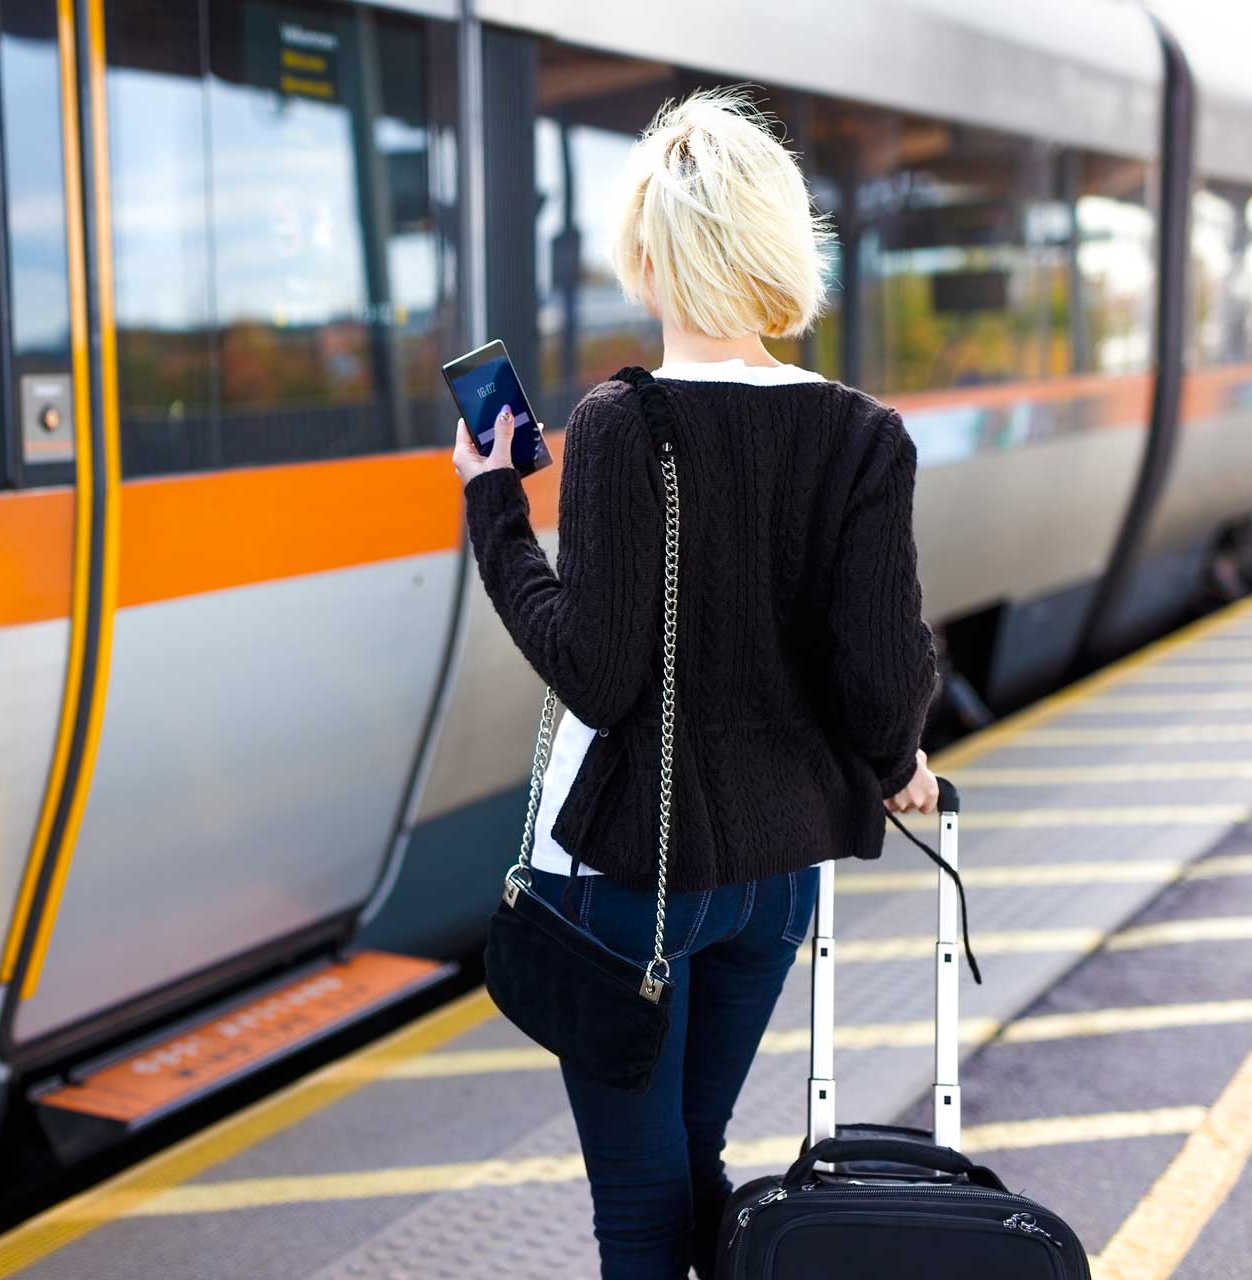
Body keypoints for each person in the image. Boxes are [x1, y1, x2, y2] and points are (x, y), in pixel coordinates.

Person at [453, 88, 939, 1280]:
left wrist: (493, 506)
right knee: (697, 1158)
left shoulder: (626, 423)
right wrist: (901, 767)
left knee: (639, 1198)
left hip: (633, 876)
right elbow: (882, 668)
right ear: (777, 245)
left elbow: (596, 674)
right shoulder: (864, 432)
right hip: (775, 877)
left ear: (650, 253)